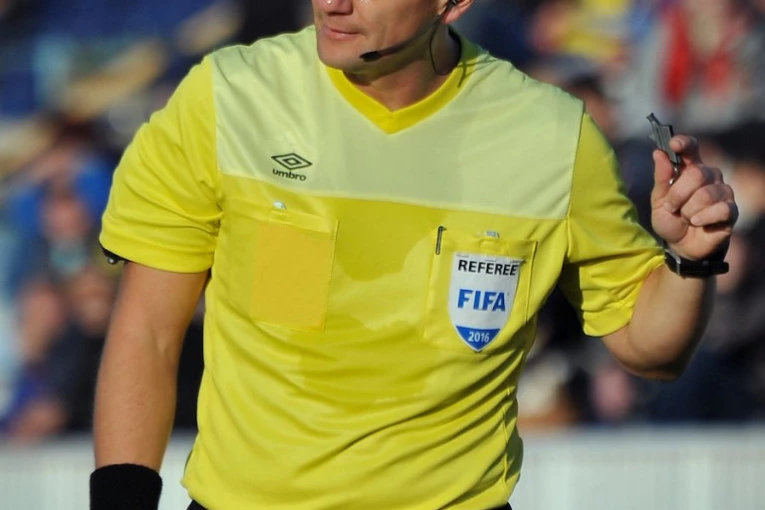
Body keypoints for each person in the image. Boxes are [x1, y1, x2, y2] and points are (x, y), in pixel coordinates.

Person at [89, 1, 738, 509]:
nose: (333, 2)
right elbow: (148, 332)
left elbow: (651, 349)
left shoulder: (553, 138)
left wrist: (691, 259)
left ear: (453, 3)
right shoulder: (225, 96)